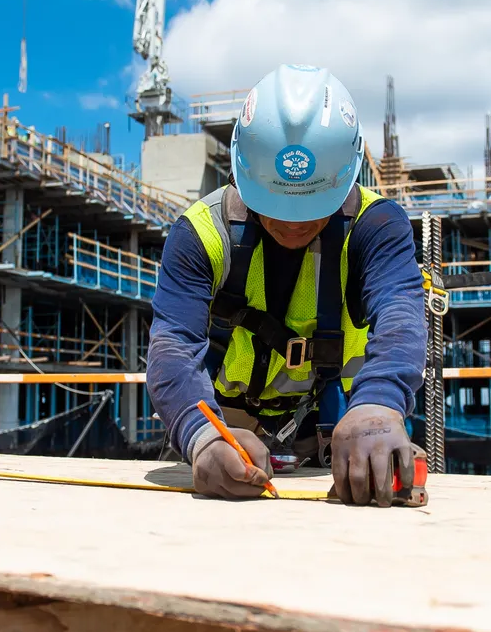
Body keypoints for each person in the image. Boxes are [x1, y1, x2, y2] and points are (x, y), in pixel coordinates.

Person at [146, 63, 428, 506]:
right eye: (275, 205)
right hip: (228, 434)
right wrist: (202, 438)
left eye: (311, 208)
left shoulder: (377, 227)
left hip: (341, 431)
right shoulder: (201, 234)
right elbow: (172, 349)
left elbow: (400, 318)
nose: (293, 224)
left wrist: (378, 404)